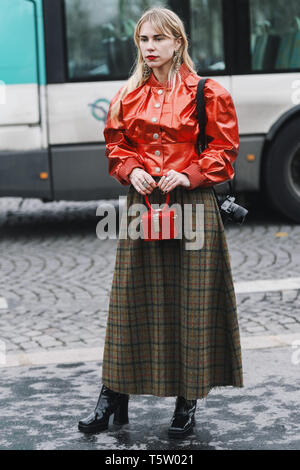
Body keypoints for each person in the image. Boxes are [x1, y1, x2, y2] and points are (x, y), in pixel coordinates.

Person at [78, 6, 243, 439]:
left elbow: (224, 153)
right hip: (142, 206)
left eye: (158, 39)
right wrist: (129, 168)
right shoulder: (127, 94)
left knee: (192, 305)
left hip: (193, 205)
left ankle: (186, 404)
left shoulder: (208, 93)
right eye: (143, 41)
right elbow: (117, 145)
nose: (150, 48)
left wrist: (188, 172)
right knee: (128, 303)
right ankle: (112, 397)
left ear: (177, 42)